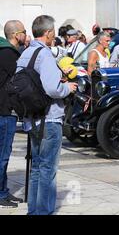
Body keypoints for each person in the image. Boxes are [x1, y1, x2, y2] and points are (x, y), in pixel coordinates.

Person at [16, 15, 77, 215]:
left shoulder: (26, 53)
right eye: (53, 32)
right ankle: (44, 212)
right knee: (48, 170)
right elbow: (52, 89)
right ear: (49, 32)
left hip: (32, 118)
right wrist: (67, 87)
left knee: (36, 167)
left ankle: (33, 210)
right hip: (49, 118)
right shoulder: (45, 54)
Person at [0, 20, 27, 208]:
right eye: (24, 32)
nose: (26, 35)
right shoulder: (9, 54)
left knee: (3, 154)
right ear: (16, 35)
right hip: (4, 111)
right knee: (2, 155)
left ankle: (3, 191)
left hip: (4, 110)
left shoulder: (4, 52)